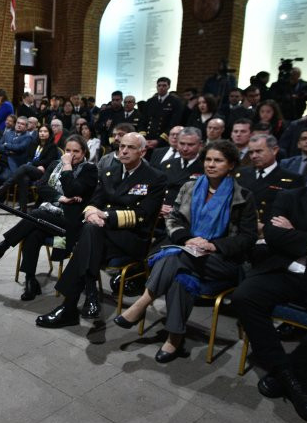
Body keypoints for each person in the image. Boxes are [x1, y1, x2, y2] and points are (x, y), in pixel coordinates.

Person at [115, 140, 257, 361]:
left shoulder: (243, 196)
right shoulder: (190, 187)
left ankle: (143, 302)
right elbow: (174, 219)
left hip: (222, 260)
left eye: (218, 160)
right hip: (188, 251)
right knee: (181, 276)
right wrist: (189, 239)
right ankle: (174, 338)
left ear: (231, 165)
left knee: (175, 256)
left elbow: (248, 238)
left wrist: (213, 245)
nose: (211, 164)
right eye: (208, 159)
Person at [232, 150, 307, 423]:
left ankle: (294, 377)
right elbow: (274, 236)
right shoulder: (291, 196)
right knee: (245, 296)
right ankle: (287, 373)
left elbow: (287, 238)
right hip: (286, 271)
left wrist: (295, 237)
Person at [36, 133, 166, 326]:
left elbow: (142, 215)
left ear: (143, 151)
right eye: (121, 146)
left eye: (130, 147)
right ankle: (81, 300)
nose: (123, 150)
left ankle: (79, 301)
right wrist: (91, 213)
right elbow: (95, 201)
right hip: (101, 233)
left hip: (131, 238)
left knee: (87, 237)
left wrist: (103, 215)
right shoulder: (109, 171)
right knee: (90, 232)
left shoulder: (154, 178)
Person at [0, 135, 99, 300]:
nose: (71, 155)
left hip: (71, 221)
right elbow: (41, 187)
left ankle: (3, 246)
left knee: (35, 215)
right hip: (50, 214)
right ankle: (30, 281)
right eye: (68, 151)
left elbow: (72, 189)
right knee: (33, 232)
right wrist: (60, 198)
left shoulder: (89, 169)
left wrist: (66, 166)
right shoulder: (54, 164)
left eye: (76, 151)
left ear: (84, 151)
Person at [236, 134, 303, 225]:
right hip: (243, 227)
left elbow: (294, 212)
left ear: (274, 150)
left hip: (271, 230)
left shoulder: (292, 179)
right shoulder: (240, 174)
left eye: (259, 151)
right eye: (251, 152)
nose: (254, 156)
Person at [0, 124, 59, 213]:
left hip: (43, 172)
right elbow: (28, 157)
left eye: (45, 131)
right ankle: (23, 209)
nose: (42, 133)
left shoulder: (52, 147)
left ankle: (3, 187)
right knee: (24, 178)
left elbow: (48, 162)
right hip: (31, 169)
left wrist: (33, 164)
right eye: (40, 131)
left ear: (50, 134)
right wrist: (33, 164)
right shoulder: (34, 144)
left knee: (24, 167)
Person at [159, 126, 204, 210]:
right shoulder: (166, 164)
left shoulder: (205, 168)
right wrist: (159, 206)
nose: (185, 149)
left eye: (190, 145)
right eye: (182, 143)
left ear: (200, 145)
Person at [141, 77, 185, 149]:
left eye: (164, 85)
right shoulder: (150, 101)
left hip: (163, 140)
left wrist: (159, 140)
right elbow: (143, 120)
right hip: (147, 139)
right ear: (156, 87)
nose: (161, 88)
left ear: (169, 86)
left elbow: (174, 123)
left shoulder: (175, 102)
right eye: (159, 85)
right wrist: (143, 137)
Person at [0, 116, 34, 183]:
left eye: (22, 124)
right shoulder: (8, 134)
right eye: (18, 123)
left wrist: (6, 144)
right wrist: (9, 151)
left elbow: (19, 148)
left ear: (26, 127)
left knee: (3, 178)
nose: (19, 125)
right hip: (1, 161)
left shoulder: (28, 137)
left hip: (13, 164)